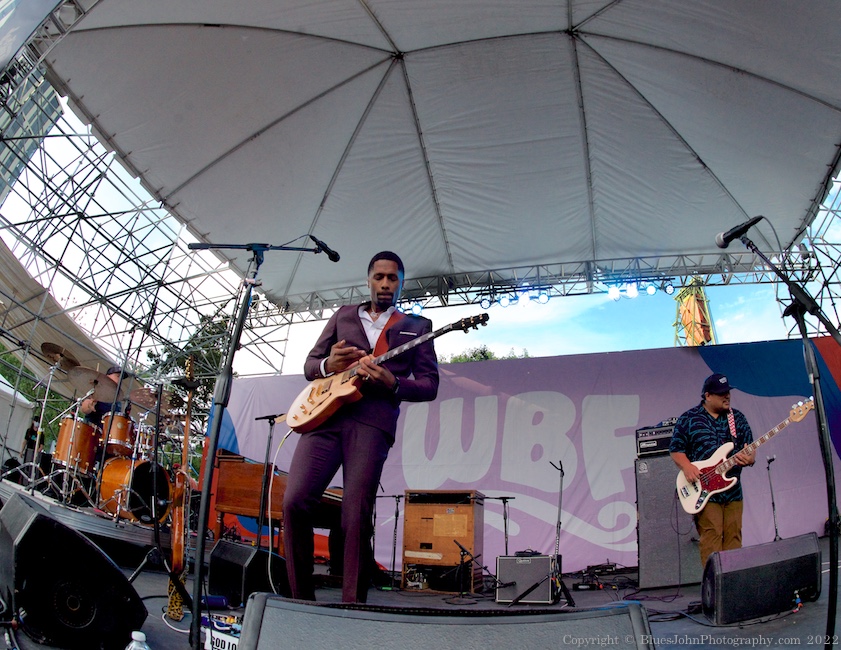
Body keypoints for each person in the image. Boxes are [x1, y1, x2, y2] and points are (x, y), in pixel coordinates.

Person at [283, 251, 440, 603]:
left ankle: (352, 605)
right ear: (368, 279)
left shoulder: (416, 326)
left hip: (372, 421)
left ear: (401, 282)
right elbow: (310, 365)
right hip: (325, 418)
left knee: (354, 512)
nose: (385, 283)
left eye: (393, 278)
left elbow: (430, 385)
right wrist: (327, 364)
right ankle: (299, 601)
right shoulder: (342, 316)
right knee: (294, 502)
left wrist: (393, 383)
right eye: (379, 276)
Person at [669, 373, 755, 568]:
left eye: (728, 392)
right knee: (712, 536)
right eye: (721, 393)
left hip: (733, 490)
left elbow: (750, 449)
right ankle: (714, 586)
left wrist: (750, 459)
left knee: (734, 536)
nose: (727, 396)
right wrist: (687, 466)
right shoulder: (689, 419)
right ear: (708, 396)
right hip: (705, 492)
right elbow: (676, 450)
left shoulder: (737, 418)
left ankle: (732, 583)